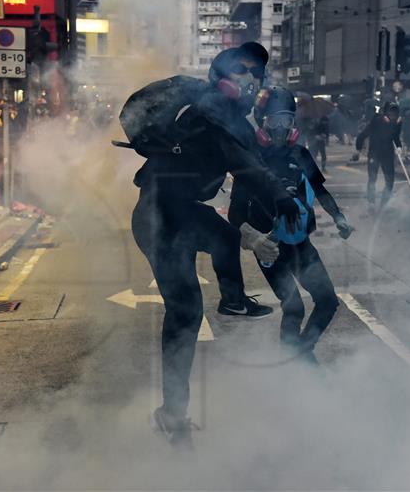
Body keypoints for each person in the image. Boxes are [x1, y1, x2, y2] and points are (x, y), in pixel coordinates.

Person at [129, 44, 302, 449]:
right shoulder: (209, 111)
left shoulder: (227, 118)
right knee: (185, 310)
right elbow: (249, 169)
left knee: (223, 238)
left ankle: (232, 301)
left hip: (184, 211)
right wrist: (281, 198)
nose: (250, 80)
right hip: (159, 216)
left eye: (256, 74)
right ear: (221, 74)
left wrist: (264, 216)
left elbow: (248, 168)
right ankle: (174, 413)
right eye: (242, 71)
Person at [229, 86, 352, 361]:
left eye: (287, 120)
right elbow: (235, 214)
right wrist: (254, 240)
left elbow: (320, 190)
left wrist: (339, 217)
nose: (281, 128)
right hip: (271, 249)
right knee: (293, 308)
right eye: (274, 120)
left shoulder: (300, 155)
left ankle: (301, 352)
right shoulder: (250, 160)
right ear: (262, 122)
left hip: (301, 244)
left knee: (328, 301)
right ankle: (295, 365)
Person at [354, 101, 402, 209]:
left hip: (388, 154)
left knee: (390, 181)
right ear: (385, 112)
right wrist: (358, 148)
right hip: (374, 153)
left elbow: (396, 137)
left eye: (394, 113)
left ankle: (383, 204)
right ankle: (371, 202)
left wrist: (399, 147)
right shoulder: (377, 120)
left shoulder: (398, 122)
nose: (392, 116)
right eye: (390, 113)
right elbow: (363, 134)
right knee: (372, 178)